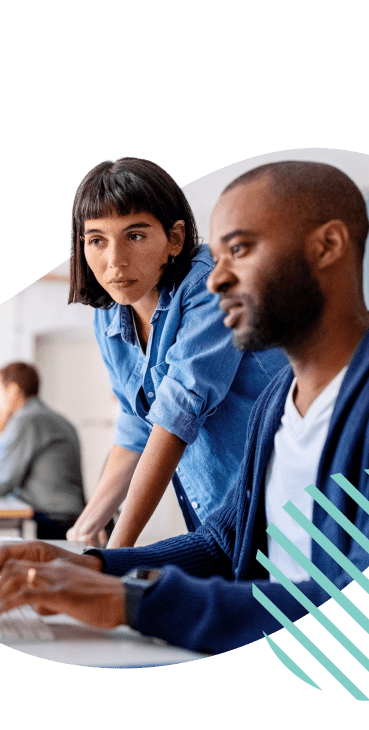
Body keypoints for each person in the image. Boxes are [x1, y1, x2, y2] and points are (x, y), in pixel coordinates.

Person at [0, 162, 369, 655]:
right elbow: (222, 543)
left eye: (237, 250)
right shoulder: (276, 405)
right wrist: (95, 566)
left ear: (327, 246)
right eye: (216, 257)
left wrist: (131, 599)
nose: (214, 281)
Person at [64, 157, 286, 547]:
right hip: (220, 521)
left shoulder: (210, 284)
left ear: (175, 239)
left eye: (134, 236)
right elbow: (137, 425)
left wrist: (114, 555)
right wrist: (85, 529)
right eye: (97, 240)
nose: (114, 261)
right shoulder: (109, 314)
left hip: (283, 506)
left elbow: (176, 414)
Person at [0, 362, 86, 540]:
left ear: (12, 391)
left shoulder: (27, 420)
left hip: (55, 521)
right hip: (69, 517)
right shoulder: (51, 417)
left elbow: (1, 484)